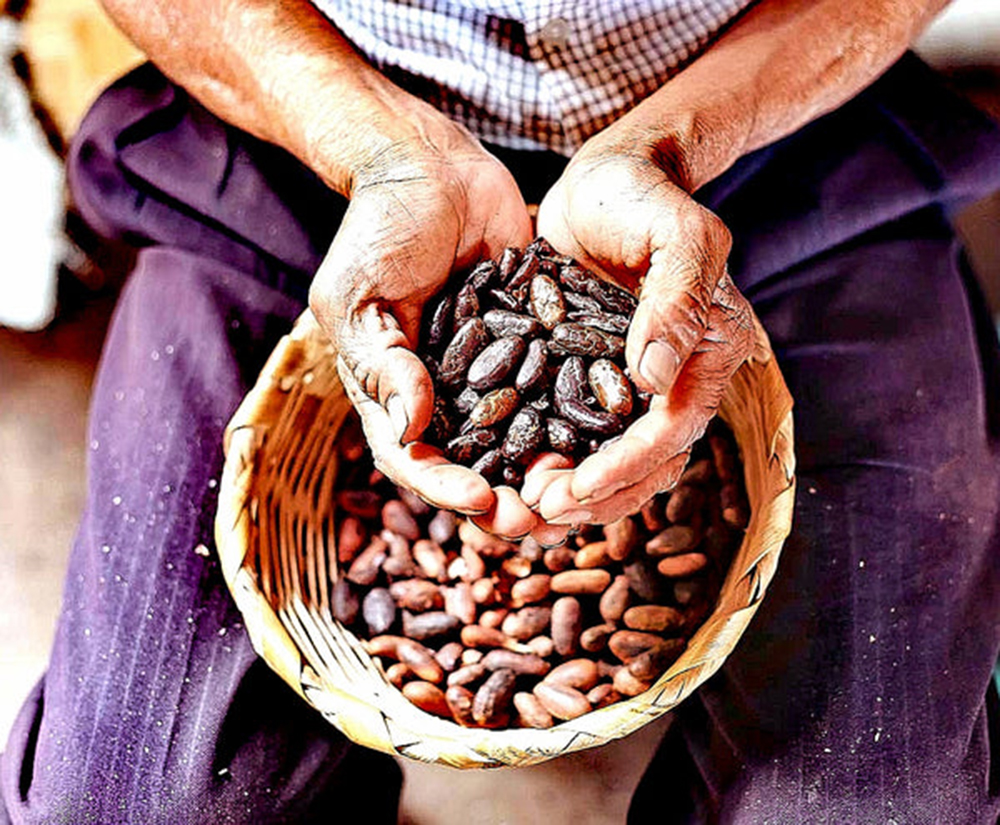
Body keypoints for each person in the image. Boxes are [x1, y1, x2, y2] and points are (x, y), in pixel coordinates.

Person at [3, 0, 1000, 821]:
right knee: (130, 798)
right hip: (300, 115)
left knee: (877, 797)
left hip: (776, 122)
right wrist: (373, 149)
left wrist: (676, 142)